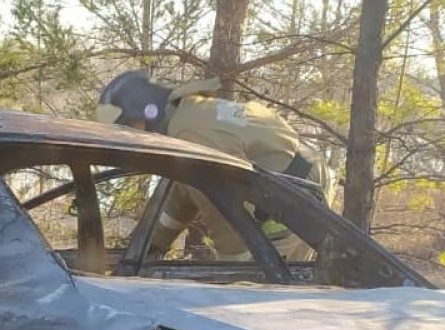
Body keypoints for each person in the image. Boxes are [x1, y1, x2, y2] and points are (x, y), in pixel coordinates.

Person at [93, 70, 329, 261]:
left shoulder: (188, 132)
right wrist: (148, 248)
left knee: (264, 291)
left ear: (145, 112)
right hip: (289, 174)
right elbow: (181, 191)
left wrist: (235, 267)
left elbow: (221, 204)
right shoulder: (185, 118)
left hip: (293, 191)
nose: (129, 141)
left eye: (127, 128)